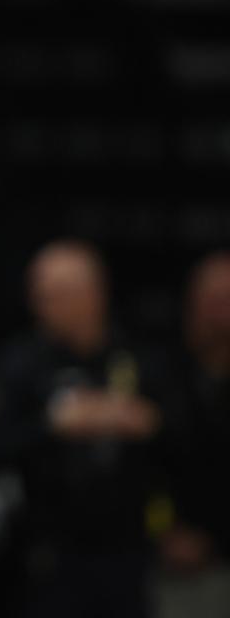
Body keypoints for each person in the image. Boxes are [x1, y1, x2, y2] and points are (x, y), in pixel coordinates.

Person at [0, 240, 172, 618]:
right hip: (43, 554)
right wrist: (50, 426)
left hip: (130, 551)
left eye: (60, 294)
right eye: (41, 294)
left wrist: (148, 422)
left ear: (96, 293)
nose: (46, 305)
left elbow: (183, 442)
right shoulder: (17, 365)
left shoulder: (139, 358)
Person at [154, 252, 230, 618]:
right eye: (211, 300)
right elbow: (145, 472)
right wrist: (164, 532)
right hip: (173, 565)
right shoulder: (160, 378)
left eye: (228, 300)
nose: (219, 314)